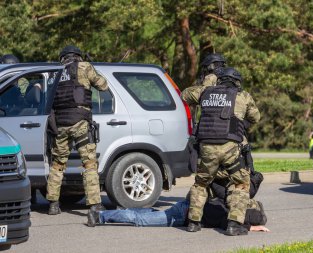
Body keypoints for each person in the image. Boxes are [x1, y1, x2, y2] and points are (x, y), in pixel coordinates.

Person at [181, 67, 260, 236]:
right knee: (240, 183)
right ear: (237, 82)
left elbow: (184, 95)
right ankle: (234, 224)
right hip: (230, 148)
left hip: (206, 148)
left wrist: (207, 82)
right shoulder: (242, 96)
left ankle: (193, 223)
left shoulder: (205, 92)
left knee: (201, 183)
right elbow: (255, 117)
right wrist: (240, 123)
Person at [46, 45, 108, 215]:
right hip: (80, 122)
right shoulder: (84, 67)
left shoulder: (55, 72)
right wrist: (94, 68)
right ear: (78, 56)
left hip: (60, 124)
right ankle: (94, 205)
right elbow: (103, 86)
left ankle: (53, 204)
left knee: (57, 165)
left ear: (63, 58)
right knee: (89, 164)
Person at [87, 197, 269, 232]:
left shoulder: (228, 203)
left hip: (187, 206)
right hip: (183, 215)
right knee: (142, 220)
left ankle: (119, 213)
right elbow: (225, 224)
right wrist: (250, 227)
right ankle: (100, 216)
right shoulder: (227, 217)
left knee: (150, 214)